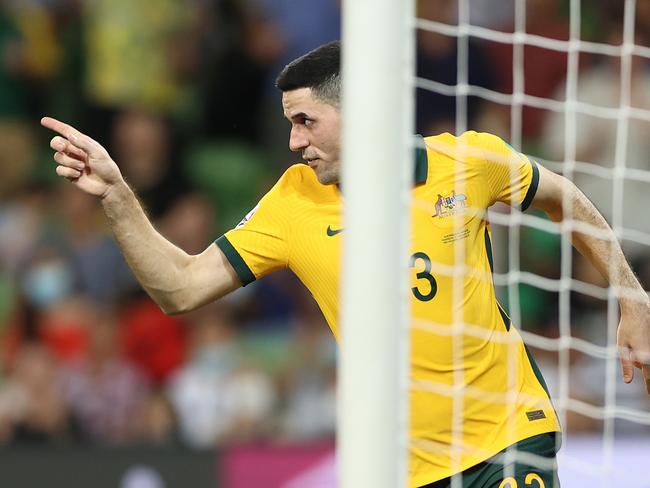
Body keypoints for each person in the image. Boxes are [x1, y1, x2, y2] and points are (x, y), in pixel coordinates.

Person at [42, 41, 650, 488]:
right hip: (401, 466)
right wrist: (119, 198)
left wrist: (631, 296)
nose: (293, 142)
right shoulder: (292, 203)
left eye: (306, 121)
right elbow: (180, 288)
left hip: (508, 436)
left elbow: (562, 195)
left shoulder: (467, 162)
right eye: (288, 124)